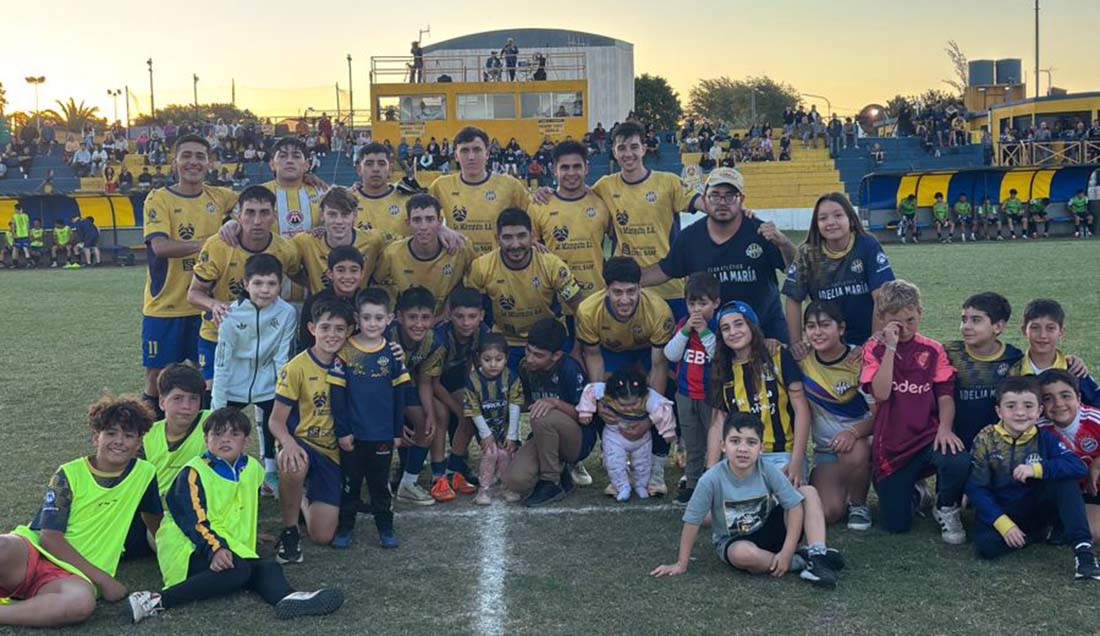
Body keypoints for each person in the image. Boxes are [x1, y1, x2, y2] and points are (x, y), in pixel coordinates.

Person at [126, 408, 345, 623]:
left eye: (234, 434)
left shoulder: (252, 468)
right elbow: (193, 522)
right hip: (189, 547)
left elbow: (235, 507)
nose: (225, 439)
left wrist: (248, 535)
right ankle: (154, 600)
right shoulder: (192, 472)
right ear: (205, 440)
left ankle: (289, 598)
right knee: (238, 571)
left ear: (246, 441)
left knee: (268, 567)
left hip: (228, 544)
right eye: (217, 434)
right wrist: (216, 549)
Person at [0, 395, 159, 627]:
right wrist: (104, 580)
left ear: (139, 443)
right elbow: (49, 539)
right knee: (3, 546)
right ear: (96, 438)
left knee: (80, 603)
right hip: (33, 553)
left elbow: (155, 522)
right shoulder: (69, 473)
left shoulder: (145, 474)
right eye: (111, 433)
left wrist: (171, 560)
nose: (120, 441)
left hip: (74, 577)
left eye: (129, 435)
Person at [650, 412, 841, 588]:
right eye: (735, 441)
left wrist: (788, 549)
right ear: (723, 445)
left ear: (761, 448)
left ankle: (817, 557)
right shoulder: (711, 479)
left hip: (770, 529)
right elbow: (692, 520)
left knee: (807, 492)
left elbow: (794, 506)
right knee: (744, 554)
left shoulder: (766, 469)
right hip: (736, 541)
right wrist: (681, 563)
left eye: (751, 442)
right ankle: (799, 562)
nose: (743, 449)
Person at [861, 280, 970, 542]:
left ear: (920, 312)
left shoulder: (932, 349)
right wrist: (890, 347)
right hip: (892, 445)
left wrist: (944, 429)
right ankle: (917, 493)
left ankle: (946, 506)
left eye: (911, 319)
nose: (906, 328)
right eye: (897, 323)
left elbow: (944, 395)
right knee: (895, 526)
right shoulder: (873, 349)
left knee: (957, 458)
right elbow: (882, 393)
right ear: (882, 318)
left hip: (926, 436)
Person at [141, 135, 238, 418]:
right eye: (186, 155)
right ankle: (148, 440)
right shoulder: (158, 199)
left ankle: (199, 438)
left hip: (206, 305)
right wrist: (211, 242)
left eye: (199, 156)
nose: (193, 162)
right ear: (175, 163)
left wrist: (308, 180)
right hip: (165, 305)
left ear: (208, 163)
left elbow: (263, 196)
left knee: (204, 377)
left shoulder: (219, 197)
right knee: (157, 375)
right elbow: (160, 247)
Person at [966, 377, 1100, 579]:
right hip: (1004, 509)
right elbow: (977, 488)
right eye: (1011, 406)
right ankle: (1038, 534)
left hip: (1037, 505)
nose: (1020, 413)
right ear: (998, 411)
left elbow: (1077, 466)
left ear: (1039, 411)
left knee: (1065, 479)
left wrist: (1038, 469)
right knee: (987, 548)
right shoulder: (985, 440)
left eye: (1028, 406)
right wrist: (1004, 524)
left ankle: (1084, 553)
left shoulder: (1045, 437)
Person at [641, 167, 794, 340]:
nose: (722, 202)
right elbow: (664, 270)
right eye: (715, 195)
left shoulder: (760, 232)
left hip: (767, 334)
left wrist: (785, 243)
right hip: (716, 337)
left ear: (741, 199)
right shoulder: (690, 238)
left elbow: (792, 270)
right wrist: (624, 281)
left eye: (730, 196)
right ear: (705, 199)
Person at [187, 185, 302, 394]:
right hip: (219, 335)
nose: (257, 221)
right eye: (250, 212)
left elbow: (301, 276)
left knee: (272, 396)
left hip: (265, 339)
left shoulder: (285, 249)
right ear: (239, 215)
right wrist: (214, 305)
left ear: (274, 216)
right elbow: (194, 294)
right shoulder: (217, 246)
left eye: (264, 213)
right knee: (214, 397)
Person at [576, 256, 675, 493]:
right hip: (612, 354)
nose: (625, 299)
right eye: (617, 292)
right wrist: (602, 403)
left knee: (668, 391)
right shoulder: (588, 310)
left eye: (631, 291)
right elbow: (593, 357)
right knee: (601, 397)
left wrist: (650, 416)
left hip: (645, 353)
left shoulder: (659, 310)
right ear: (606, 289)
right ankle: (614, 462)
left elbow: (659, 365)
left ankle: (657, 465)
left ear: (641, 287)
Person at [269, 299, 354, 562]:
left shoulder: (353, 361)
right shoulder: (296, 367)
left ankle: (303, 496)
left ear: (349, 331)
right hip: (303, 443)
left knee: (322, 535)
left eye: (339, 329)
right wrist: (289, 444)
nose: (332, 334)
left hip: (333, 452)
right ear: (311, 328)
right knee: (293, 463)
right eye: (325, 327)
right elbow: (275, 421)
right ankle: (290, 529)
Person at [328, 288, 413, 547]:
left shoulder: (394, 355)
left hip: (383, 435)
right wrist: (343, 431)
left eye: (378, 318)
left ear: (389, 319)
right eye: (367, 318)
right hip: (353, 435)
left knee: (379, 484)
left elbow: (400, 397)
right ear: (357, 318)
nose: (372, 323)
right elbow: (337, 397)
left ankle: (385, 528)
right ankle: (345, 529)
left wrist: (397, 432)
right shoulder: (345, 352)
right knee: (350, 484)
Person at [210, 254, 298, 490]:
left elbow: (282, 356)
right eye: (258, 283)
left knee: (274, 422)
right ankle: (221, 468)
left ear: (280, 285)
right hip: (234, 384)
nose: (265, 290)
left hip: (269, 382)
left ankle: (270, 472)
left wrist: (282, 391)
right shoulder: (229, 314)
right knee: (225, 427)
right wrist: (217, 408)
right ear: (246, 284)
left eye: (271, 284)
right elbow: (222, 362)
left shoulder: (287, 312)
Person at [706, 300, 811, 489]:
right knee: (708, 514)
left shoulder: (778, 356)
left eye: (739, 324)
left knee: (778, 503)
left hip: (782, 454)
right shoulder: (722, 368)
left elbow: (801, 408)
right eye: (725, 328)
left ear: (751, 325)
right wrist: (710, 471)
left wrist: (797, 461)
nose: (733, 332)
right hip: (742, 458)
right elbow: (717, 423)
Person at [465, 208, 583, 373]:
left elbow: (580, 308)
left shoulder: (552, 265)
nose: (515, 245)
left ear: (532, 235)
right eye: (507, 237)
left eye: (521, 236)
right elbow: (470, 312)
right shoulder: (482, 267)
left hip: (549, 342)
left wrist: (577, 349)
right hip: (505, 343)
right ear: (497, 238)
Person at [782, 192, 895, 353]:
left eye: (838, 215)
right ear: (816, 224)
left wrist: (872, 344)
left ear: (850, 218)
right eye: (823, 218)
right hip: (827, 341)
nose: (831, 222)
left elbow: (882, 296)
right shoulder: (808, 252)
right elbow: (793, 298)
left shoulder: (867, 244)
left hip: (866, 337)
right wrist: (796, 342)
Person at [798, 301, 874, 529]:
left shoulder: (857, 360)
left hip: (859, 444)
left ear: (840, 328)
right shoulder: (801, 361)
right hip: (826, 451)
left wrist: (854, 432)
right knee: (829, 513)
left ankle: (859, 504)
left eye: (824, 325)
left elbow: (880, 415)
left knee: (854, 451)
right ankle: (840, 486)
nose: (817, 332)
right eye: (811, 326)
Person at [504, 318, 590, 506]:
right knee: (515, 481)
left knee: (543, 414)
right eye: (528, 351)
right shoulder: (525, 367)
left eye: (538, 355)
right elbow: (525, 402)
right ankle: (561, 473)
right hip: (546, 436)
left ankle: (551, 482)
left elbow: (585, 416)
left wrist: (555, 403)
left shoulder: (569, 368)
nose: (530, 358)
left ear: (557, 355)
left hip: (577, 438)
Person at [528, 140, 611, 317]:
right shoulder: (539, 205)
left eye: (577, 166)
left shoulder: (601, 202)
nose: (571, 173)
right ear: (554, 170)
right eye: (565, 167)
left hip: (596, 297)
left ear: (586, 168)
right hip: (555, 302)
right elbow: (531, 244)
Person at [385, 287, 449, 505]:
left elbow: (424, 381)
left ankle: (408, 482)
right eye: (412, 317)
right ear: (399, 317)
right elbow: (378, 384)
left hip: (406, 386)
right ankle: (379, 480)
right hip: (378, 391)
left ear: (433, 317)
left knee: (427, 420)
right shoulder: (385, 335)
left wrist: (430, 413)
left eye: (425, 318)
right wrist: (393, 419)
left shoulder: (435, 342)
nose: (419, 324)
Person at [428, 127, 531, 256]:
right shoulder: (441, 185)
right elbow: (418, 215)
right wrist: (439, 228)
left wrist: (544, 194)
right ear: (456, 156)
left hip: (496, 265)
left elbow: (535, 215)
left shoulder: (510, 185)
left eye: (477, 150)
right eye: (464, 151)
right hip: (457, 262)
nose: (471, 157)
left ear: (487, 153)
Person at [578, 367, 676, 502]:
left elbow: (663, 410)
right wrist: (586, 411)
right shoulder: (604, 391)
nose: (629, 408)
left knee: (643, 464)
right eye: (623, 405)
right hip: (614, 434)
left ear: (642, 395)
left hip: (642, 438)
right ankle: (622, 487)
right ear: (612, 395)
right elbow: (589, 392)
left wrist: (667, 431)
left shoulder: (650, 397)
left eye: (634, 403)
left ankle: (641, 486)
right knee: (614, 463)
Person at [665, 273, 720, 506]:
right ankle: (693, 483)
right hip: (686, 394)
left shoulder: (719, 324)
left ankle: (716, 482)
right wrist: (686, 331)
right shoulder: (682, 325)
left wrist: (705, 331)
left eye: (703, 304)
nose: (696, 310)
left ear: (716, 303)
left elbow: (717, 356)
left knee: (715, 441)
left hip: (711, 396)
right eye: (692, 304)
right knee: (692, 442)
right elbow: (671, 354)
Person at [373, 193, 476, 317]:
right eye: (417, 220)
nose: (423, 227)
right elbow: (377, 287)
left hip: (448, 323)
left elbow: (475, 285)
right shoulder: (391, 254)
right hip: (410, 323)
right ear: (408, 222)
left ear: (440, 222)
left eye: (430, 219)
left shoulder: (461, 247)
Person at [943, 292, 1024, 449]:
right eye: (964, 320)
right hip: (957, 440)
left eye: (976, 320)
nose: (966, 326)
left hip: (998, 442)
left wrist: (1071, 361)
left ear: (998, 326)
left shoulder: (1013, 357)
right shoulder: (950, 353)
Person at [435, 287, 492, 492]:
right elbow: (430, 382)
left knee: (472, 411)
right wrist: (456, 408)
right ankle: (440, 472)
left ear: (481, 316)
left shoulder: (483, 332)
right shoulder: (439, 337)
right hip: (432, 384)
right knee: (455, 413)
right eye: (459, 316)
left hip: (458, 383)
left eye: (472, 316)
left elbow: (477, 368)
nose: (466, 322)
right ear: (449, 315)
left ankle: (455, 468)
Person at [463, 334, 524, 504]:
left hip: (505, 428)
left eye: (498, 359)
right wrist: (485, 434)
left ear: (506, 358)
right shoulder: (472, 381)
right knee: (491, 454)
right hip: (485, 429)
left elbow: (515, 407)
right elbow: (474, 411)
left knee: (505, 454)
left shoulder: (511, 378)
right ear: (478, 358)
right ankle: (484, 491)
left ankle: (506, 487)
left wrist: (512, 436)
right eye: (487, 359)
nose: (493, 364)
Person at [1039, 369, 1100, 539]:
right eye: (1048, 398)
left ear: (1079, 398)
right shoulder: (1038, 428)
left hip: (1093, 489)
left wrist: (1097, 463)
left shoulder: (1094, 419)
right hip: (1067, 493)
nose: (1058, 403)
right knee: (1089, 529)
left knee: (1093, 530)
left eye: (1065, 396)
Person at [291, 186, 383, 297]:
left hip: (358, 309)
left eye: (345, 215)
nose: (339, 221)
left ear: (354, 215)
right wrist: (310, 283)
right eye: (332, 214)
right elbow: (288, 266)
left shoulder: (374, 241)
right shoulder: (305, 241)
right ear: (321, 215)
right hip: (320, 308)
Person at [1010, 298, 1100, 406]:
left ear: (1061, 332)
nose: (1042, 335)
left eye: (1050, 328)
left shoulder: (1074, 370)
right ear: (1024, 330)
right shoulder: (1013, 370)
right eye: (1035, 328)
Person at [142, 364, 210, 503]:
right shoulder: (147, 435)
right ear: (162, 402)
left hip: (203, 510)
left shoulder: (212, 425)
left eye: (193, 398)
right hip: (158, 514)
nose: (186, 406)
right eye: (178, 398)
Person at [298, 246, 364, 351]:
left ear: (361, 274)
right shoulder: (314, 302)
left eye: (354, 270)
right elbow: (306, 343)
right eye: (341, 270)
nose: (347, 276)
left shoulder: (368, 304)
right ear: (330, 274)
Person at [350, 143, 414, 244]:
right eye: (369, 164)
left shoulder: (409, 200)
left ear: (390, 169)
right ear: (359, 169)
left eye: (381, 164)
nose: (376, 169)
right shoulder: (348, 202)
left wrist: (441, 229)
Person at [8, 203, 30, 268]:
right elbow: (28, 225)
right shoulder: (26, 215)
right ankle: (28, 263)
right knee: (25, 249)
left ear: (16, 209)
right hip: (25, 235)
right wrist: (28, 233)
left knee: (15, 249)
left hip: (18, 235)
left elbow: (13, 226)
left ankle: (15, 264)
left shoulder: (14, 216)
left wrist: (13, 234)